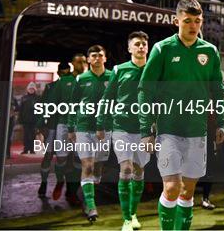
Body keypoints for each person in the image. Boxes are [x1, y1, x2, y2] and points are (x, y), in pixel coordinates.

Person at [138, 0, 224, 230]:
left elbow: (218, 90)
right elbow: (145, 90)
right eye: (187, 21)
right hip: (168, 130)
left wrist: (222, 123)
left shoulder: (210, 51)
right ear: (176, 21)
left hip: (198, 132)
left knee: (187, 191)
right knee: (171, 188)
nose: (192, 26)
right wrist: (146, 130)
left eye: (197, 21)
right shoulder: (162, 49)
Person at [97, 32, 149, 231]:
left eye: (144, 44)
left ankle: (134, 213)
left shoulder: (153, 69)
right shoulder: (120, 70)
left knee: (139, 170)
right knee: (126, 169)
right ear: (129, 48)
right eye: (137, 44)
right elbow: (107, 98)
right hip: (121, 128)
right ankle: (126, 219)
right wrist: (101, 123)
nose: (141, 47)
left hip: (144, 130)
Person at [67, 45, 112, 221]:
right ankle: (91, 205)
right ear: (88, 59)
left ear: (105, 59)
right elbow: (73, 104)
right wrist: (71, 128)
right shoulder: (81, 79)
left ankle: (95, 179)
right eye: (93, 55)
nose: (97, 58)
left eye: (100, 55)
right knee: (88, 165)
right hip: (84, 126)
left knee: (99, 163)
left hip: (105, 128)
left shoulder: (113, 77)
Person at [49, 54, 87, 203]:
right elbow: (51, 104)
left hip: (84, 126)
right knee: (61, 158)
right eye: (79, 61)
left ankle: (72, 192)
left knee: (80, 160)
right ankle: (60, 181)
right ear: (72, 63)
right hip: (64, 124)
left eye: (84, 61)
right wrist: (43, 125)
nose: (82, 64)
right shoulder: (64, 81)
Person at [36, 62, 71, 198]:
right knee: (48, 156)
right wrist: (40, 125)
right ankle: (44, 182)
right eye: (62, 73)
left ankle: (60, 182)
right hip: (51, 126)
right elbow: (43, 105)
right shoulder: (50, 86)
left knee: (64, 158)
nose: (64, 76)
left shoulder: (74, 85)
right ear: (58, 73)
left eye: (67, 74)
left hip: (66, 125)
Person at [19, 82, 39, 154]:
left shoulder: (38, 98)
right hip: (25, 120)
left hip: (34, 120)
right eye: (30, 88)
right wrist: (20, 120)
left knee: (33, 135)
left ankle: (32, 149)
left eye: (32, 89)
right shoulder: (24, 98)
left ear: (35, 89)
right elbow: (20, 110)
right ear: (28, 89)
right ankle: (25, 149)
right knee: (26, 135)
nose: (31, 90)